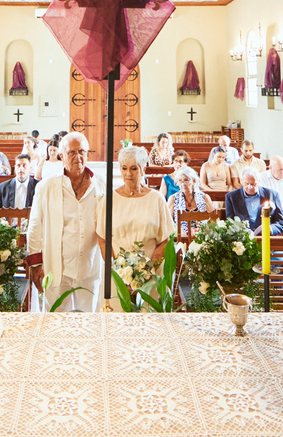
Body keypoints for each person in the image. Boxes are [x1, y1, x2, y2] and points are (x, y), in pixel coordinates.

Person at [26, 132, 101, 312]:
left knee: (89, 320)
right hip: (57, 268)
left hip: (89, 267)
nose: (78, 157)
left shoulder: (100, 185)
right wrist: (36, 265)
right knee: (55, 319)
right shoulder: (46, 187)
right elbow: (35, 226)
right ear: (61, 156)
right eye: (72, 153)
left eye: (82, 152)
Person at [96, 146, 174, 311]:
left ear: (143, 169)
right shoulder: (109, 199)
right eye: (124, 168)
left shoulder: (157, 199)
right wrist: (118, 272)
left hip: (151, 278)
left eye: (134, 168)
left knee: (149, 320)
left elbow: (165, 240)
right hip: (117, 276)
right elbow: (103, 239)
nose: (128, 174)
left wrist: (145, 274)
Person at [224, 167, 283, 235]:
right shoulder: (231, 197)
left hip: (265, 236)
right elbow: (230, 222)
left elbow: (281, 223)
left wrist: (271, 229)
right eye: (246, 184)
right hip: (243, 237)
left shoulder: (272, 195)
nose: (250, 187)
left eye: (253, 184)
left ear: (259, 181)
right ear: (241, 181)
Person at [167, 166, 210, 238]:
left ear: (194, 181)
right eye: (180, 180)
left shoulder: (204, 197)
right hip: (180, 236)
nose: (183, 183)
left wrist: (202, 231)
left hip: (202, 236)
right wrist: (178, 230)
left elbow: (212, 220)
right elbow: (168, 221)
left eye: (186, 180)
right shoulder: (173, 199)